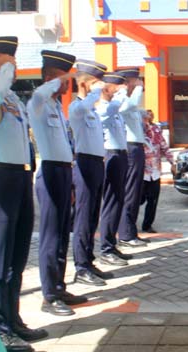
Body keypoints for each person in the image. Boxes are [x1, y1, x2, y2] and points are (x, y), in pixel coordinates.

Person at [0, 36, 46, 352]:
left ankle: (13, 320)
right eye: (6, 63)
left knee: (17, 258)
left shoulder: (13, 100)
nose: (13, 68)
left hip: (21, 178)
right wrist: (1, 78)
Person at [28, 50, 88, 317]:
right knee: (51, 237)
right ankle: (49, 296)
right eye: (65, 79)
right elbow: (39, 94)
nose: (69, 85)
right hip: (50, 173)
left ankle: (59, 286)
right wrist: (57, 79)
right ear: (51, 77)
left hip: (65, 172)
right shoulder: (39, 103)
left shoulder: (56, 107)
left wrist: (73, 182)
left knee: (63, 234)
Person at [70, 59, 114, 287]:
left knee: (93, 216)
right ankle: (80, 266)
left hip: (97, 163)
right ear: (85, 84)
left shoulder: (92, 110)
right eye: (97, 83)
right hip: (84, 164)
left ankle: (88, 260)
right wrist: (93, 94)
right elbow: (82, 107)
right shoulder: (77, 108)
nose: (102, 88)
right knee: (83, 218)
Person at [97, 72, 134, 266]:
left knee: (118, 201)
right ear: (106, 87)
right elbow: (109, 111)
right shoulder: (103, 108)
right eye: (117, 86)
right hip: (109, 155)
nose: (121, 89)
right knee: (111, 202)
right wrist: (121, 94)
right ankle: (105, 248)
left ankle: (111, 243)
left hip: (120, 155)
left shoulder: (115, 110)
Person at [116, 67, 149, 248]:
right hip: (129, 148)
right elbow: (130, 105)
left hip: (136, 148)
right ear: (126, 82)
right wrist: (137, 89)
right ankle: (126, 234)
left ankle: (131, 231)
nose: (139, 83)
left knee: (135, 192)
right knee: (129, 192)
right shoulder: (121, 99)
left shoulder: (130, 100)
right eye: (135, 80)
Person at [140, 109, 175, 233]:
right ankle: (128, 224)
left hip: (155, 172)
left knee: (153, 201)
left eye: (148, 117)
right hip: (141, 173)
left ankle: (147, 225)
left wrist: (172, 162)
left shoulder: (156, 130)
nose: (147, 119)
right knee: (137, 200)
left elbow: (164, 147)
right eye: (145, 117)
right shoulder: (137, 132)